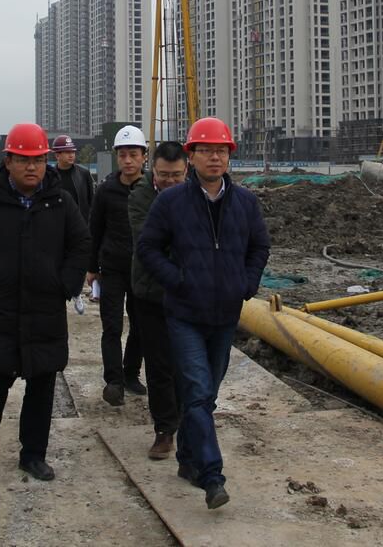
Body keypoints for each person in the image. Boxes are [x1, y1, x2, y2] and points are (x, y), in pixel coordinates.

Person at [137, 117, 270, 510]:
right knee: (196, 390)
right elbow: (148, 248)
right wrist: (176, 280)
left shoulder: (245, 203)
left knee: (206, 396)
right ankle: (212, 476)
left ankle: (187, 457)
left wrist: (246, 283)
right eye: (207, 150)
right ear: (191, 156)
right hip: (184, 314)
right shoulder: (171, 202)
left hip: (225, 315)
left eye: (222, 150)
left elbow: (259, 247)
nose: (215, 157)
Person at [0, 122, 89, 481]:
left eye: (38, 160)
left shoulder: (60, 202)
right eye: (24, 160)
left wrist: (66, 283)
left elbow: (80, 244)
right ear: (8, 161)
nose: (32, 167)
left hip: (45, 312)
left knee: (42, 386)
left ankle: (33, 455)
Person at [127, 140, 188, 460]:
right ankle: (164, 429)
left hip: (189, 295)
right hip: (150, 293)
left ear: (186, 170)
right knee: (158, 363)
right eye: (164, 175)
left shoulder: (198, 194)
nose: (170, 181)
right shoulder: (139, 197)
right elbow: (148, 242)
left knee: (187, 361)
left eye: (176, 175)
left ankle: (187, 420)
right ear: (153, 169)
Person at [87, 125, 148, 406]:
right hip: (111, 268)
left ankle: (131, 372)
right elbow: (95, 229)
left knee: (141, 326)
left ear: (144, 156)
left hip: (142, 270)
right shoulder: (106, 190)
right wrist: (91, 268)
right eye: (122, 155)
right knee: (111, 326)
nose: (128, 160)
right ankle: (114, 381)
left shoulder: (151, 190)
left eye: (133, 154)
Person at [51, 134, 94, 222]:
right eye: (67, 152)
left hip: (81, 224)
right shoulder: (50, 176)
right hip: (58, 223)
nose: (71, 155)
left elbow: (92, 201)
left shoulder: (84, 173)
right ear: (57, 155)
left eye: (73, 152)